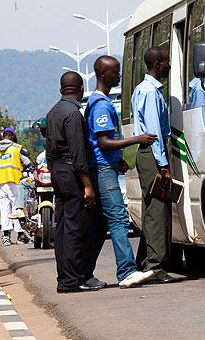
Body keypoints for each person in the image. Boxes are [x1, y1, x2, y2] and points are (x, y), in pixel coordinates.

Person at [85, 55, 157, 288]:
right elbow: (104, 142)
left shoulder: (101, 102)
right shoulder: (102, 105)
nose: (119, 76)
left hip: (108, 166)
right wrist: (136, 139)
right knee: (118, 218)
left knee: (103, 222)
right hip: (103, 170)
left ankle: (85, 271)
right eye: (115, 72)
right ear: (102, 74)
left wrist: (119, 161)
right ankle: (126, 271)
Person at [132, 47, 181, 283]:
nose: (169, 66)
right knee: (157, 209)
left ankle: (146, 259)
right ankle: (156, 265)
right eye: (167, 62)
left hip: (147, 154)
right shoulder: (151, 93)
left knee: (152, 206)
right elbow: (154, 134)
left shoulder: (142, 90)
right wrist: (163, 164)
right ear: (158, 64)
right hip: (152, 154)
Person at [46, 71, 99, 293]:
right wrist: (87, 185)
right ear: (81, 90)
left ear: (60, 90)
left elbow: (49, 150)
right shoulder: (74, 115)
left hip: (57, 170)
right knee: (76, 227)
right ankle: (73, 279)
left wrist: (54, 171)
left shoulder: (52, 113)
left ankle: (64, 277)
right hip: (72, 172)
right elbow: (78, 154)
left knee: (62, 226)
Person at [0, 128, 31, 245]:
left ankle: (6, 236)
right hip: (15, 182)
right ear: (12, 137)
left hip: (1, 183)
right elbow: (27, 162)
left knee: (4, 209)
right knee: (16, 209)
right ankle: (20, 236)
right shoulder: (16, 148)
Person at [8, 150, 47, 219]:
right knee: (23, 183)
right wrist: (33, 168)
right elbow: (36, 165)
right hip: (40, 180)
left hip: (57, 181)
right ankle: (20, 209)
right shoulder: (42, 156)